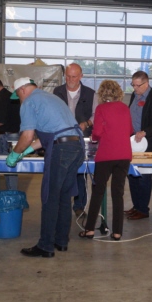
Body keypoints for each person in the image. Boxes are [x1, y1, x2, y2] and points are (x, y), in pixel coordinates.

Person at [6, 78, 84, 258]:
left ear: (22, 89)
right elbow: (50, 135)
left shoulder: (29, 102)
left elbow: (27, 136)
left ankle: (45, 246)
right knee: (64, 196)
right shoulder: (51, 98)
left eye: (18, 95)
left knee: (50, 197)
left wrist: (15, 154)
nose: (19, 99)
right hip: (76, 147)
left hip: (61, 150)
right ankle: (61, 241)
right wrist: (25, 152)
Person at [79, 80, 133, 241]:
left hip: (106, 155)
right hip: (124, 154)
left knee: (98, 192)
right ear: (118, 92)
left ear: (102, 93)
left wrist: (94, 138)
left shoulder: (101, 108)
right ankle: (117, 232)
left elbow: (97, 132)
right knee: (118, 193)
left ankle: (89, 229)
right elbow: (130, 130)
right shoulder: (124, 108)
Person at [53, 63, 97, 217]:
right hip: (61, 139)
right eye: (68, 76)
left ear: (81, 76)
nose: (70, 80)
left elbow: (95, 115)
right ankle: (61, 204)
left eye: (74, 76)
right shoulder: (57, 92)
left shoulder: (90, 94)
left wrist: (87, 123)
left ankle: (79, 205)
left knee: (80, 173)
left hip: (82, 139)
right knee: (61, 172)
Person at [125, 71, 152, 220]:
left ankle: (143, 209)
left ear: (146, 83)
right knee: (132, 174)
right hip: (133, 142)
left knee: (143, 176)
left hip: (148, 143)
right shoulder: (134, 95)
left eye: (138, 85)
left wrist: (145, 132)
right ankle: (136, 206)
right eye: (133, 85)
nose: (135, 88)